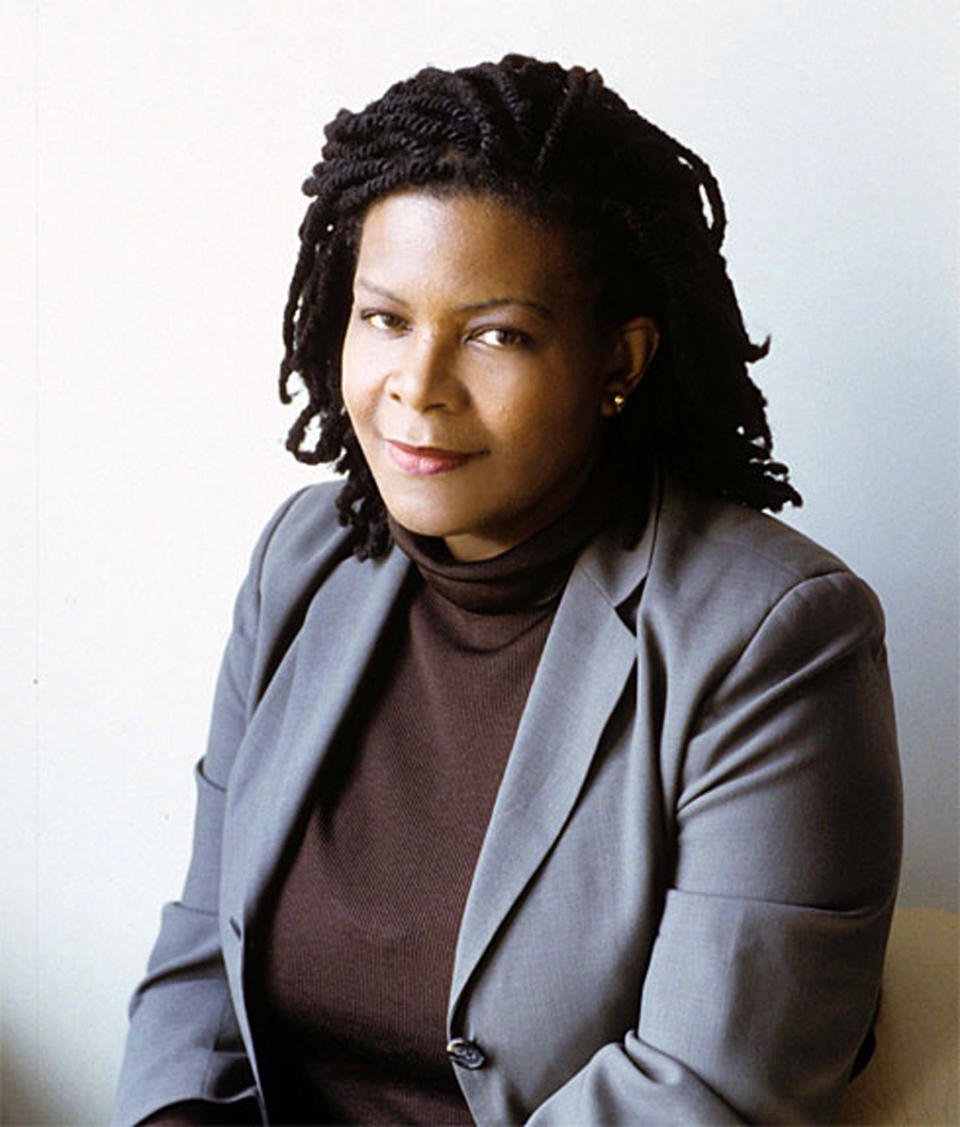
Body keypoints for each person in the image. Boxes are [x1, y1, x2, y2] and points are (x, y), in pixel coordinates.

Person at [113, 55, 902, 1126]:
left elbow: (716, 1088)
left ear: (618, 360)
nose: (418, 385)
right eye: (385, 317)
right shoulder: (307, 558)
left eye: (498, 334)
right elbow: (203, 948)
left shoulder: (774, 636)